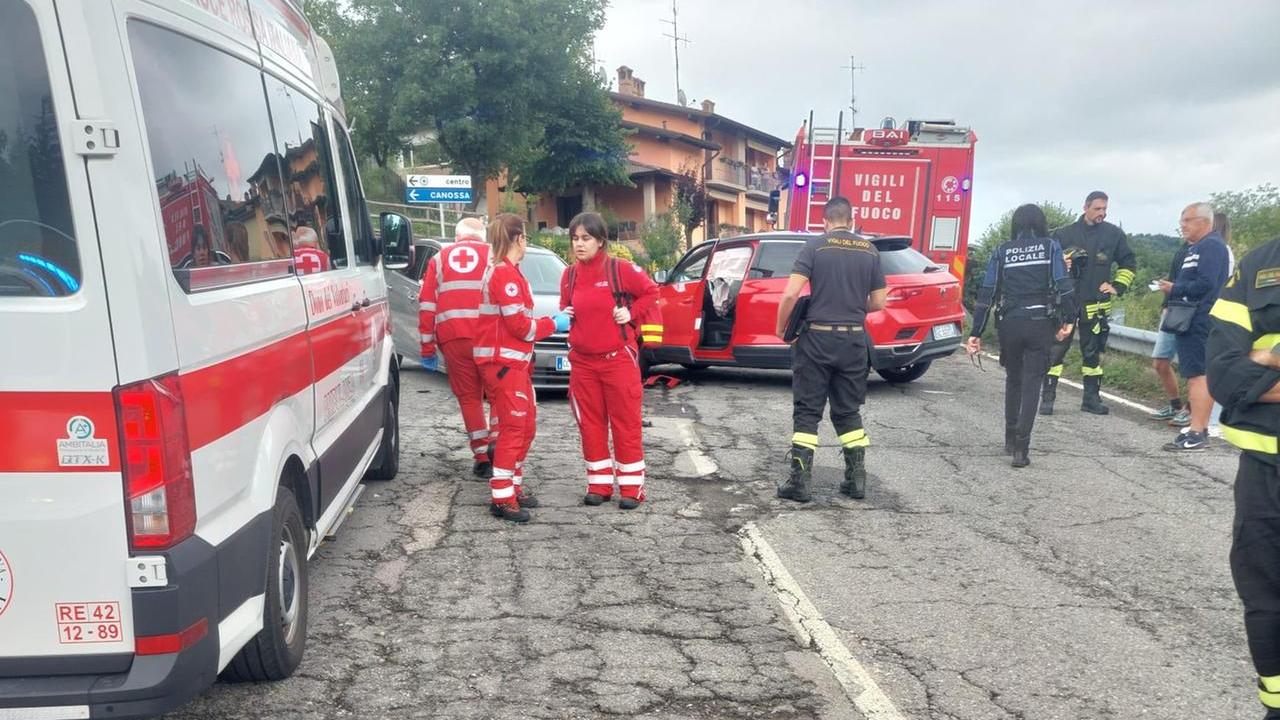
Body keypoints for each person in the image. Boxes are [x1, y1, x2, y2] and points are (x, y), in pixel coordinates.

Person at [1205, 234, 1280, 718]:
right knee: (1265, 598)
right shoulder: (1260, 266)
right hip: (1266, 472)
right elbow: (1224, 374)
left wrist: (1267, 360)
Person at [775, 197, 886, 503]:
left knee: (808, 412)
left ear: (825, 221)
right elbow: (878, 302)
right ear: (851, 221)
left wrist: (781, 327)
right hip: (853, 341)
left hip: (817, 341)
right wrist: (850, 305)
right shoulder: (870, 250)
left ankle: (800, 482)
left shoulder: (815, 246)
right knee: (848, 411)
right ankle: (856, 480)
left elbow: (791, 294)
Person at [559, 212, 659, 510]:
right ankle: (598, 485)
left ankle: (632, 489)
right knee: (590, 425)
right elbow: (566, 307)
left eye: (586, 238)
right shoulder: (569, 275)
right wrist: (565, 315)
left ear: (600, 241)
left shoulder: (621, 269)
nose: (579, 244)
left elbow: (652, 292)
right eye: (575, 238)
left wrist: (631, 314)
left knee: (625, 424)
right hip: (583, 364)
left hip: (618, 361)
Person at [473, 213, 570, 523]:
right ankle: (502, 497)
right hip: (503, 364)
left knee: (525, 427)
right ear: (517, 239)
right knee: (515, 429)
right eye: (525, 236)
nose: (526, 242)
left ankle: (512, 487)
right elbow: (519, 327)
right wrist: (553, 323)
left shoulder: (511, 273)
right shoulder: (503, 275)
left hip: (514, 363)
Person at [964, 205, 1077, 468]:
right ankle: (1021, 450)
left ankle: (1009, 439)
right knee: (1032, 384)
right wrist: (1070, 320)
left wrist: (976, 332)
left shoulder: (1002, 250)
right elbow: (1063, 284)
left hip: (1010, 323)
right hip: (1039, 323)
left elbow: (987, 291)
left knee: (1013, 380)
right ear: (1041, 223)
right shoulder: (1051, 247)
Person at [1041, 191, 1137, 415]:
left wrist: (1118, 286)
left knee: (1092, 354)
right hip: (1065, 303)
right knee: (1055, 351)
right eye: (1097, 209)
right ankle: (1047, 398)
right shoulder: (1064, 234)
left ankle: (1091, 399)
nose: (1102, 213)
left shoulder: (1114, 235)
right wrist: (1059, 265)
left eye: (1105, 209)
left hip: (1096, 304)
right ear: (1085, 207)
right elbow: (1046, 265)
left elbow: (1129, 263)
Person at [420, 217, 499, 478]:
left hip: (454, 338)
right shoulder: (494, 254)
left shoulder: (439, 259)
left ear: (456, 238)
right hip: (490, 337)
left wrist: (427, 347)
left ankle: (481, 455)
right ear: (482, 236)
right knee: (498, 393)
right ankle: (499, 447)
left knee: (469, 398)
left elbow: (427, 304)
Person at [1160, 202, 1229, 452]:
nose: (1183, 225)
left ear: (1205, 222)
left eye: (1188, 220)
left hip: (1200, 318)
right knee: (1194, 375)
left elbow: (1207, 283)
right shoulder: (1195, 247)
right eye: (1182, 220)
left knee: (1199, 375)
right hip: (1190, 319)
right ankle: (1196, 428)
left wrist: (1174, 288)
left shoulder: (1211, 245)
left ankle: (1198, 431)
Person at [1149, 237, 1191, 426]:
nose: (1184, 226)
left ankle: (1190, 410)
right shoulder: (1184, 249)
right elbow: (1176, 278)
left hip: (1193, 312)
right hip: (1173, 309)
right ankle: (1175, 405)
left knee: (1193, 366)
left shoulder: (1213, 250)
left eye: (1188, 221)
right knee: (1160, 361)